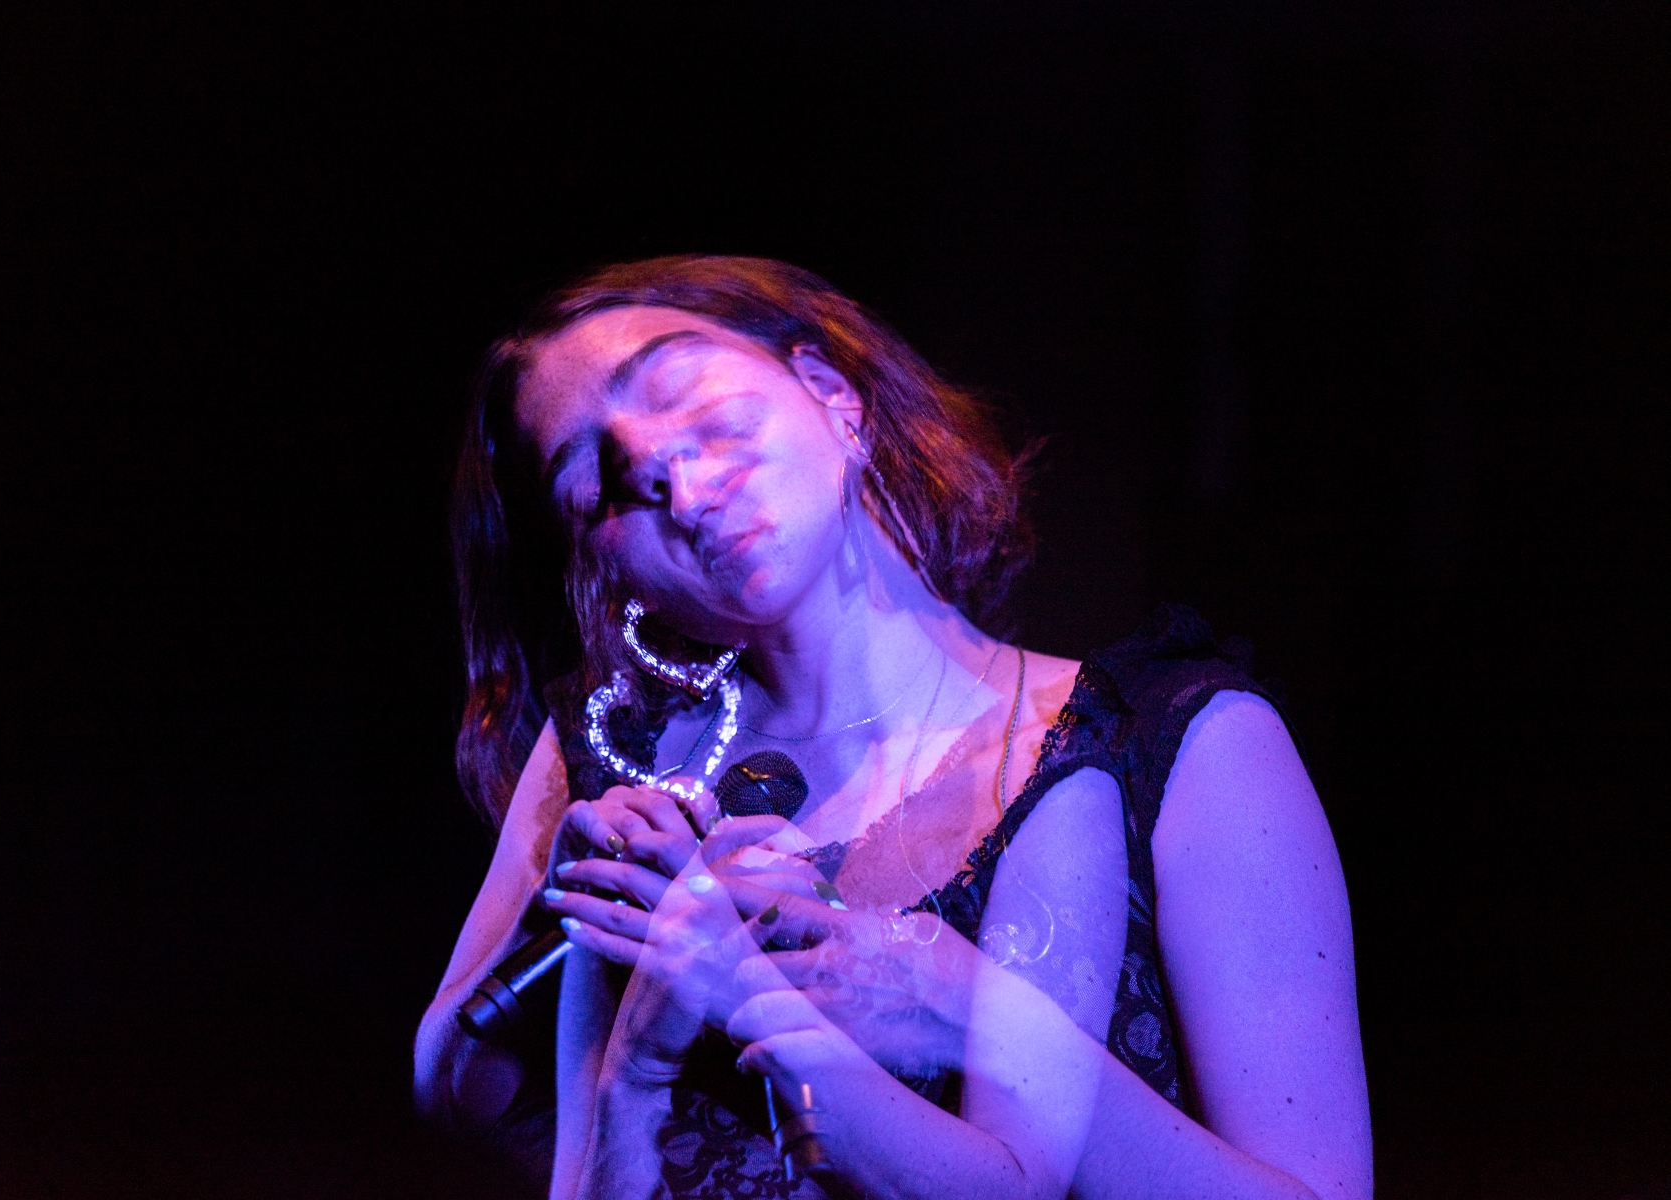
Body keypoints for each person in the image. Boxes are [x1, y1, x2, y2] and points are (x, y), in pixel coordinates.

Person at [414, 256, 1373, 1199]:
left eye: (678, 389)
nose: (661, 467)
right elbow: (458, 1089)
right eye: (595, 484)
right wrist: (573, 914)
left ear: (832, 393)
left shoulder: (1162, 746)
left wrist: (970, 1011)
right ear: (611, 571)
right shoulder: (616, 752)